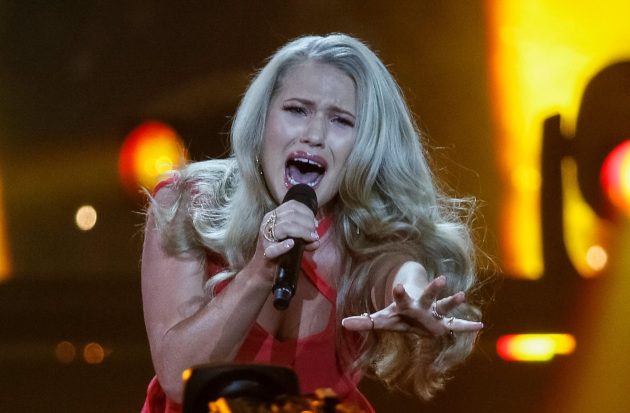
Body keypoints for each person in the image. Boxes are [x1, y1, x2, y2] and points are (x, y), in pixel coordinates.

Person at [140, 33, 484, 413]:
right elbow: (178, 379)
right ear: (263, 120)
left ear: (365, 144)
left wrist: (415, 296)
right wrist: (258, 272)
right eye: (297, 110)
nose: (314, 135)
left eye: (341, 120)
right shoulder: (189, 205)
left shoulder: (366, 239)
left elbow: (398, 272)